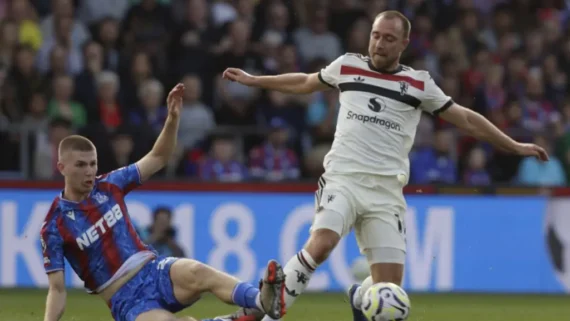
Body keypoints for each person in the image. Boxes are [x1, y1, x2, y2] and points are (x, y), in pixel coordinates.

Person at [221, 10, 549, 321]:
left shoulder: (419, 85)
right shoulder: (347, 66)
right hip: (343, 179)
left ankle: (359, 300)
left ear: (404, 44)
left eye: (389, 38)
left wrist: (514, 145)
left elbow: (464, 118)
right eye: (375, 36)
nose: (379, 43)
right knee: (322, 243)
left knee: (389, 293)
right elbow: (305, 82)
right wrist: (255, 80)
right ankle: (259, 311)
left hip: (386, 193)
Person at [40, 83, 286, 321]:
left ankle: (262, 301)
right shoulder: (55, 224)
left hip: (154, 270)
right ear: (61, 167)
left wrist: (172, 119)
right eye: (80, 165)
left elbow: (158, 157)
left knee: (199, 272)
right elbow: (58, 289)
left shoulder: (109, 185)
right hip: (125, 299)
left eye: (92, 164)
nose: (89, 171)